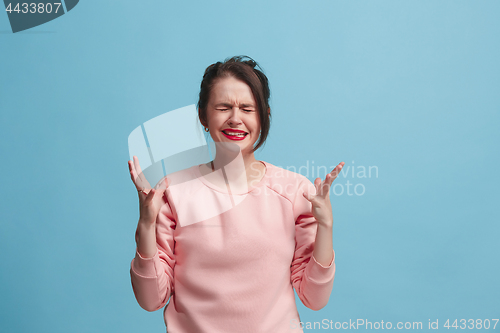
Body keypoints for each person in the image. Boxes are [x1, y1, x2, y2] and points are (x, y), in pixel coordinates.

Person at [128, 55, 345, 333]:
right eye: (223, 107)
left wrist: (325, 226)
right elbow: (150, 300)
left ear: (264, 116)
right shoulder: (173, 191)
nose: (235, 118)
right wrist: (145, 225)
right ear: (203, 116)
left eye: (247, 108)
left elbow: (315, 299)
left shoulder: (295, 191)